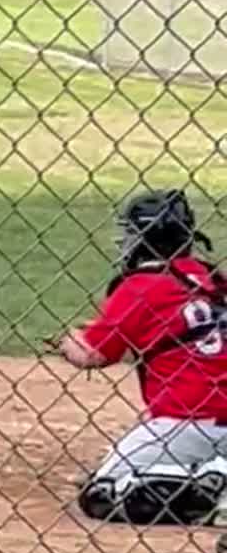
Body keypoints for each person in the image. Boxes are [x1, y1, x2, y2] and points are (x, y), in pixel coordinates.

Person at [57, 188, 227, 527]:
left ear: (143, 237)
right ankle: (219, 473)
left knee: (100, 494)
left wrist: (65, 341)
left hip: (185, 422)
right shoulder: (215, 279)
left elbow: (93, 354)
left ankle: (208, 479)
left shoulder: (140, 285)